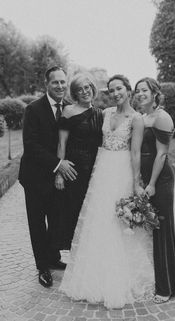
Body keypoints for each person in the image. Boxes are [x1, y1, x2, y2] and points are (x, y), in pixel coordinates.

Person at [59, 74, 154, 309]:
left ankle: (120, 279)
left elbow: (134, 153)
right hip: (101, 172)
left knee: (118, 223)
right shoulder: (106, 113)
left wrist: (135, 183)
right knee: (98, 220)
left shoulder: (136, 119)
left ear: (128, 90)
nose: (115, 93)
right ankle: (92, 276)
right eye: (111, 90)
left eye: (119, 88)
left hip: (121, 171)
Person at [19, 66, 77, 288]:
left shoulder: (70, 109)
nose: (61, 86)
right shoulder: (34, 109)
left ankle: (53, 258)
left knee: (55, 219)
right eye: (56, 83)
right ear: (47, 84)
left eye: (63, 82)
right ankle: (42, 266)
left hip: (57, 178)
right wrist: (58, 164)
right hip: (34, 177)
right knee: (37, 223)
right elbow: (31, 145)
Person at [134, 77, 175, 304]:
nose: (140, 93)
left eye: (144, 90)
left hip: (160, 181)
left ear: (155, 93)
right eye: (137, 90)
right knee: (153, 230)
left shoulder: (162, 117)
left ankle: (166, 288)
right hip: (148, 180)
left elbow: (161, 153)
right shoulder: (143, 117)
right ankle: (170, 282)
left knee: (161, 230)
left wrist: (151, 183)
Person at [54, 72, 103, 250]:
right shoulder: (69, 111)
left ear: (92, 88)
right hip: (72, 170)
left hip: (93, 170)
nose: (84, 92)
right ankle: (72, 254)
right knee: (72, 211)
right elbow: (61, 143)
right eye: (79, 89)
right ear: (74, 93)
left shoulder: (100, 114)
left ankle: (88, 255)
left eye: (87, 87)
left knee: (90, 213)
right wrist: (59, 173)